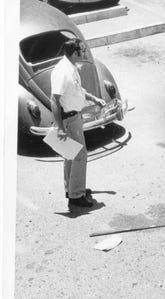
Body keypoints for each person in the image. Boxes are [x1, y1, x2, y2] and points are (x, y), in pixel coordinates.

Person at [50, 38, 106, 208]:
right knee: (80, 155)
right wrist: (60, 128)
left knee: (70, 155)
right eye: (81, 50)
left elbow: (77, 90)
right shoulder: (63, 72)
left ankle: (72, 189)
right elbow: (54, 99)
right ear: (75, 53)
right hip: (69, 119)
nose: (84, 52)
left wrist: (94, 98)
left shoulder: (70, 66)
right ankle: (76, 195)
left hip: (74, 117)